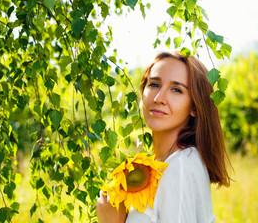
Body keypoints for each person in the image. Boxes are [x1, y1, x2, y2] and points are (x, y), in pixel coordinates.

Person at [96, 51, 231, 223]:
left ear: (195, 107)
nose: (159, 98)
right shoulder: (160, 166)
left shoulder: (179, 167)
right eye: (154, 85)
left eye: (176, 90)